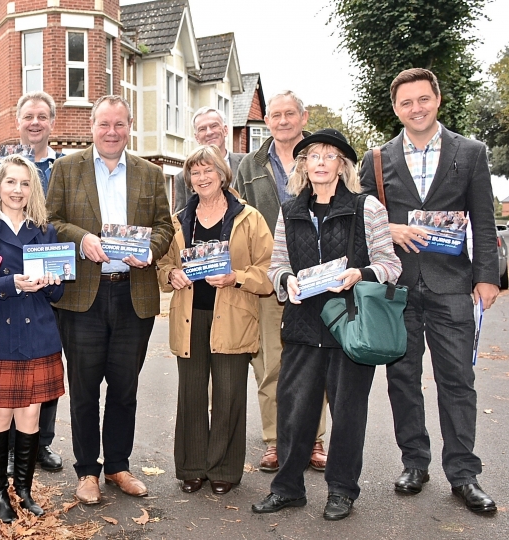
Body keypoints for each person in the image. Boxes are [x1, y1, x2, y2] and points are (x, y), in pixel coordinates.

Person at [359, 68, 500, 513]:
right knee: (402, 379)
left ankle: (464, 474)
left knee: (457, 380)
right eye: (406, 102)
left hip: (452, 284)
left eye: (423, 99)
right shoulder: (377, 159)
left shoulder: (471, 152)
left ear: (437, 100)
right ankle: (414, 463)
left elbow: (482, 217)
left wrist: (487, 276)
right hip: (398, 286)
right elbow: (361, 215)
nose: (415, 108)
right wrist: (390, 227)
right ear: (396, 109)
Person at [251, 129, 401, 521]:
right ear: (303, 165)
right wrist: (287, 282)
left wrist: (361, 273)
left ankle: (341, 491)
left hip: (349, 329)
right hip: (301, 326)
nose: (320, 162)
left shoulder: (366, 207)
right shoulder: (289, 209)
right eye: (313, 155)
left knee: (349, 414)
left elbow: (391, 265)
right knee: (294, 412)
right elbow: (277, 265)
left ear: (342, 165)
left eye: (329, 155)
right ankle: (287, 489)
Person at [46, 95, 174, 504]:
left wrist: (152, 250)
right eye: (104, 124)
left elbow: (163, 225)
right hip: (83, 295)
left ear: (129, 127)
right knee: (84, 390)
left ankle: (118, 465)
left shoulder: (150, 173)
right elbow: (50, 221)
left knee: (124, 388)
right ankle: (87, 472)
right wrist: (82, 240)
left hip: (132, 293)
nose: (112, 132)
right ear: (92, 127)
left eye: (119, 124)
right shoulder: (67, 168)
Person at [157, 145, 274, 495]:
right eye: (195, 172)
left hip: (233, 317)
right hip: (190, 318)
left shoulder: (248, 218)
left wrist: (235, 277)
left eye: (209, 170)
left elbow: (269, 273)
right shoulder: (178, 220)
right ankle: (192, 467)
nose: (203, 177)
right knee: (191, 394)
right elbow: (162, 268)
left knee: (229, 393)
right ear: (189, 179)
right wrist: (172, 275)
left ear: (222, 174)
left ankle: (223, 468)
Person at [233, 91, 329, 473]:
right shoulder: (251, 164)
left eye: (291, 113)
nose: (283, 120)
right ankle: (275, 440)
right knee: (271, 364)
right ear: (267, 121)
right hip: (270, 278)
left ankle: (314, 441)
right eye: (276, 115)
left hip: (316, 279)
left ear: (303, 117)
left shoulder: (321, 156)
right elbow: (236, 217)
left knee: (314, 361)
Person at [0, 154, 66, 523]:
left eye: (25, 183)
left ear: (33, 189)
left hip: (40, 331)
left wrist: (55, 283)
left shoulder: (46, 230)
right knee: (0, 416)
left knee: (31, 416)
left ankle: (23, 490)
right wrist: (11, 283)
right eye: (10, 182)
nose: (17, 190)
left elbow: (56, 295)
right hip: (0, 331)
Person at [172, 107, 245, 212]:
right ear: (197, 137)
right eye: (202, 129)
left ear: (225, 130)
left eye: (214, 126)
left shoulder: (248, 164)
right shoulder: (183, 177)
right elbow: (180, 219)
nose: (209, 132)